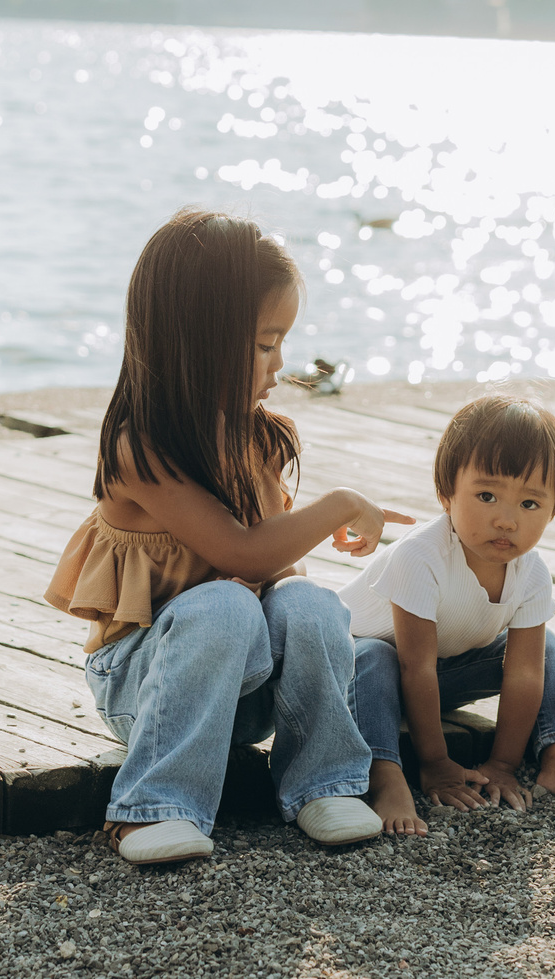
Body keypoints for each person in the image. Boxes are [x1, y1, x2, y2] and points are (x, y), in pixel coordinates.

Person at [44, 208, 408, 865]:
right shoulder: (142, 448)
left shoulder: (258, 436)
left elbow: (275, 562)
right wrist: (342, 503)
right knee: (224, 602)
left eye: (282, 343)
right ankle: (154, 806)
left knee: (309, 602)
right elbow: (239, 555)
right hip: (145, 691)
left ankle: (323, 781)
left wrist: (301, 595)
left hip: (248, 695)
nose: (280, 364)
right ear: (198, 338)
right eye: (266, 344)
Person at [343, 394, 555, 834]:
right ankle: (385, 775)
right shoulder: (420, 556)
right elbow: (414, 665)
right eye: (486, 496)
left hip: (438, 676)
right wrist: (437, 762)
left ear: (554, 510)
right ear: (447, 495)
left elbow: (522, 675)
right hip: (360, 681)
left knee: (543, 649)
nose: (506, 520)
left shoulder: (531, 572)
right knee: (371, 655)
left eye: (529, 504)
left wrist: (502, 764)